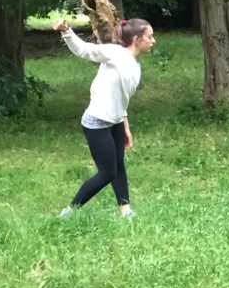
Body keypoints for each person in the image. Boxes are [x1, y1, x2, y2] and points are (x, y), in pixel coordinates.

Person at [53, 15, 156, 217]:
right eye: (150, 37)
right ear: (137, 39)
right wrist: (66, 30)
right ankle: (70, 211)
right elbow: (84, 49)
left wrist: (125, 125)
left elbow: (121, 98)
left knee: (119, 165)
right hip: (97, 122)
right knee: (107, 172)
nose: (153, 41)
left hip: (115, 121)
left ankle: (125, 210)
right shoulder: (115, 54)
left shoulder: (134, 65)